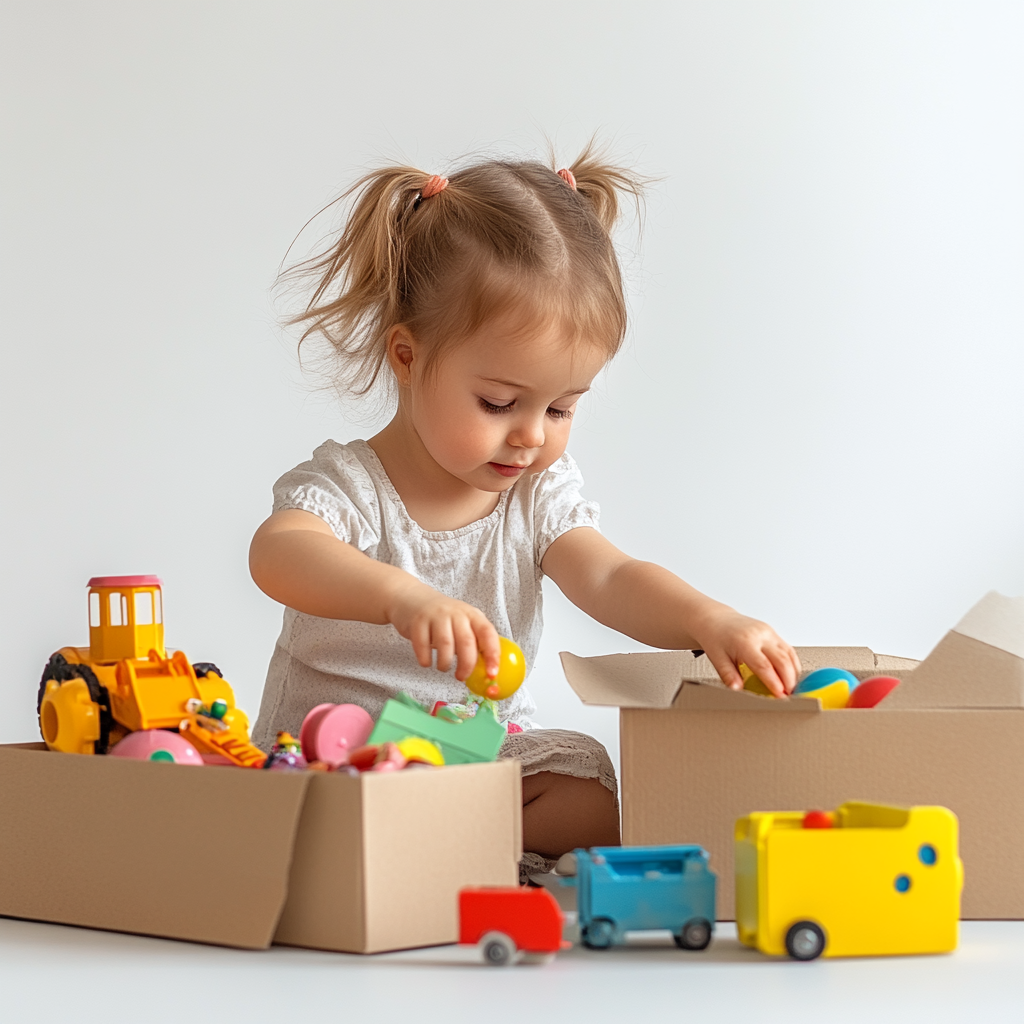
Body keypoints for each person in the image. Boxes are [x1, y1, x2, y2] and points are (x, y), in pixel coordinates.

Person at [249, 146, 801, 878]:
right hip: (340, 752)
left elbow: (609, 577)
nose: (532, 434)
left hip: (472, 752)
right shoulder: (353, 485)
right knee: (318, 804)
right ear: (407, 357)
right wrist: (401, 597)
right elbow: (279, 551)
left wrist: (706, 620)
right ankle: (411, 841)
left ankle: (430, 844)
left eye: (562, 407)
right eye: (500, 403)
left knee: (591, 787)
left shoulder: (536, 493)